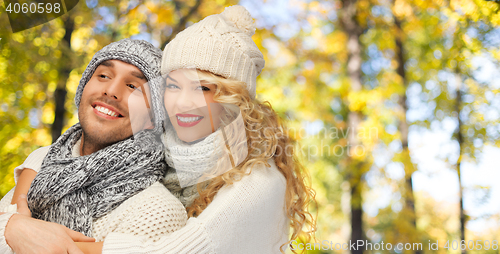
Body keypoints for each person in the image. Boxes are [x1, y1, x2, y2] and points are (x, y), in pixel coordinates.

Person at [2, 6, 316, 254]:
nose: (182, 103)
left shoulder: (259, 182)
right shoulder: (161, 155)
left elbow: (173, 251)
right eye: (174, 86)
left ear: (235, 101)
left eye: (203, 88)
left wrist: (26, 232)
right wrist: (18, 216)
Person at [0, 39, 187, 253]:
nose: (111, 90)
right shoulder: (43, 162)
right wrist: (11, 227)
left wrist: (13, 228)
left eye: (133, 87)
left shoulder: (157, 211)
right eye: (104, 76)